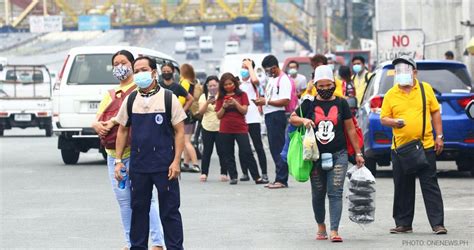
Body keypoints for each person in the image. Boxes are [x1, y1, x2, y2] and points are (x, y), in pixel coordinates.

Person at [92, 50, 164, 250]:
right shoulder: (110, 94)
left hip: (138, 153)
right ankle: (131, 242)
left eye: (123, 62)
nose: (119, 67)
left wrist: (112, 121)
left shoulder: (141, 89)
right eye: (116, 63)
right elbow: (97, 119)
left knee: (146, 199)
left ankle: (157, 242)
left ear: (132, 65)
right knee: (124, 201)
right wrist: (98, 125)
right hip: (114, 155)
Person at [114, 56, 186, 249]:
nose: (139, 74)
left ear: (154, 72)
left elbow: (180, 131)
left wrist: (176, 161)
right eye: (136, 71)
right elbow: (122, 130)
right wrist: (119, 161)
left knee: (169, 211)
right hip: (139, 165)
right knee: (138, 210)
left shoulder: (168, 97)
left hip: (165, 165)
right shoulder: (130, 100)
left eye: (143, 70)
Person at [289, 65, 365, 243]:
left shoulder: (341, 103)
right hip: (314, 157)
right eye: (320, 86)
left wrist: (359, 153)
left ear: (333, 83)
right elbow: (292, 118)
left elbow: (351, 129)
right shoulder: (308, 103)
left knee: (335, 192)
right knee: (318, 192)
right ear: (315, 85)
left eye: (327, 85)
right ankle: (321, 225)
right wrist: (304, 120)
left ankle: (334, 230)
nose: (324, 89)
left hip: (339, 154)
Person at [380, 56, 447, 235]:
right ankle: (403, 223)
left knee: (430, 184)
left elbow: (435, 113)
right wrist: (394, 122)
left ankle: (437, 224)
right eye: (398, 72)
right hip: (401, 149)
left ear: (414, 72)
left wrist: (439, 136)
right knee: (402, 186)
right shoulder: (391, 94)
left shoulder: (425, 90)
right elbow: (383, 118)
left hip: (425, 145)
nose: (401, 75)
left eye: (405, 71)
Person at [215, 72, 269, 185]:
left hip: (240, 127)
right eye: (225, 85)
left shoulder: (242, 95)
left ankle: (256, 176)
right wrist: (224, 107)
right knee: (228, 153)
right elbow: (218, 115)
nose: (228, 86)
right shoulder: (220, 97)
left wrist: (235, 103)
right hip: (225, 128)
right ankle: (233, 176)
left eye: (230, 84)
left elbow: (244, 111)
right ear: (222, 86)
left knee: (247, 151)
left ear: (234, 83)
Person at [254, 55, 291, 189]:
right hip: (269, 115)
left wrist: (267, 102)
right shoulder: (272, 80)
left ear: (274, 68)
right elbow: (269, 98)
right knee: (273, 147)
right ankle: (278, 178)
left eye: (267, 70)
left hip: (277, 115)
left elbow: (285, 100)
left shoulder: (283, 80)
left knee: (278, 147)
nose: (266, 72)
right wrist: (262, 101)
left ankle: (282, 179)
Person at [239, 58, 268, 182]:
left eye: (246, 68)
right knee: (243, 147)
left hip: (253, 118)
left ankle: (264, 173)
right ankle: (245, 172)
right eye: (243, 67)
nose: (243, 70)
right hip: (241, 118)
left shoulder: (254, 80)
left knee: (258, 146)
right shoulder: (238, 83)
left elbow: (255, 80)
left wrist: (250, 66)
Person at [198, 75, 228, 182]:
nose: (212, 88)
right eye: (210, 86)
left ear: (219, 85)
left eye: (214, 85)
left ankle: (224, 172)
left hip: (221, 127)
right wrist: (207, 102)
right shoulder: (203, 96)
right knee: (207, 151)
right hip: (207, 126)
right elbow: (201, 112)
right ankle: (204, 173)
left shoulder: (223, 96)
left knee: (222, 151)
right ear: (207, 86)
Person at [179, 63, 200, 173]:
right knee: (186, 140)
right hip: (191, 116)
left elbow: (182, 98)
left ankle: (195, 164)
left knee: (186, 141)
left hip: (185, 115)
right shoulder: (192, 82)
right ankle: (186, 163)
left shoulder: (185, 82)